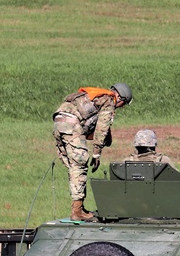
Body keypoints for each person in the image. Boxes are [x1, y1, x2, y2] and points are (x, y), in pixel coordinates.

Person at [53, 83, 132, 221]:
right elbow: (102, 128)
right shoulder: (109, 100)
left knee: (74, 167)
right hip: (72, 123)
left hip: (59, 121)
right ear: (119, 97)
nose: (121, 107)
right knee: (79, 165)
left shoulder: (96, 96)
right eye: (123, 103)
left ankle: (78, 207)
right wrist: (97, 153)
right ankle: (77, 211)